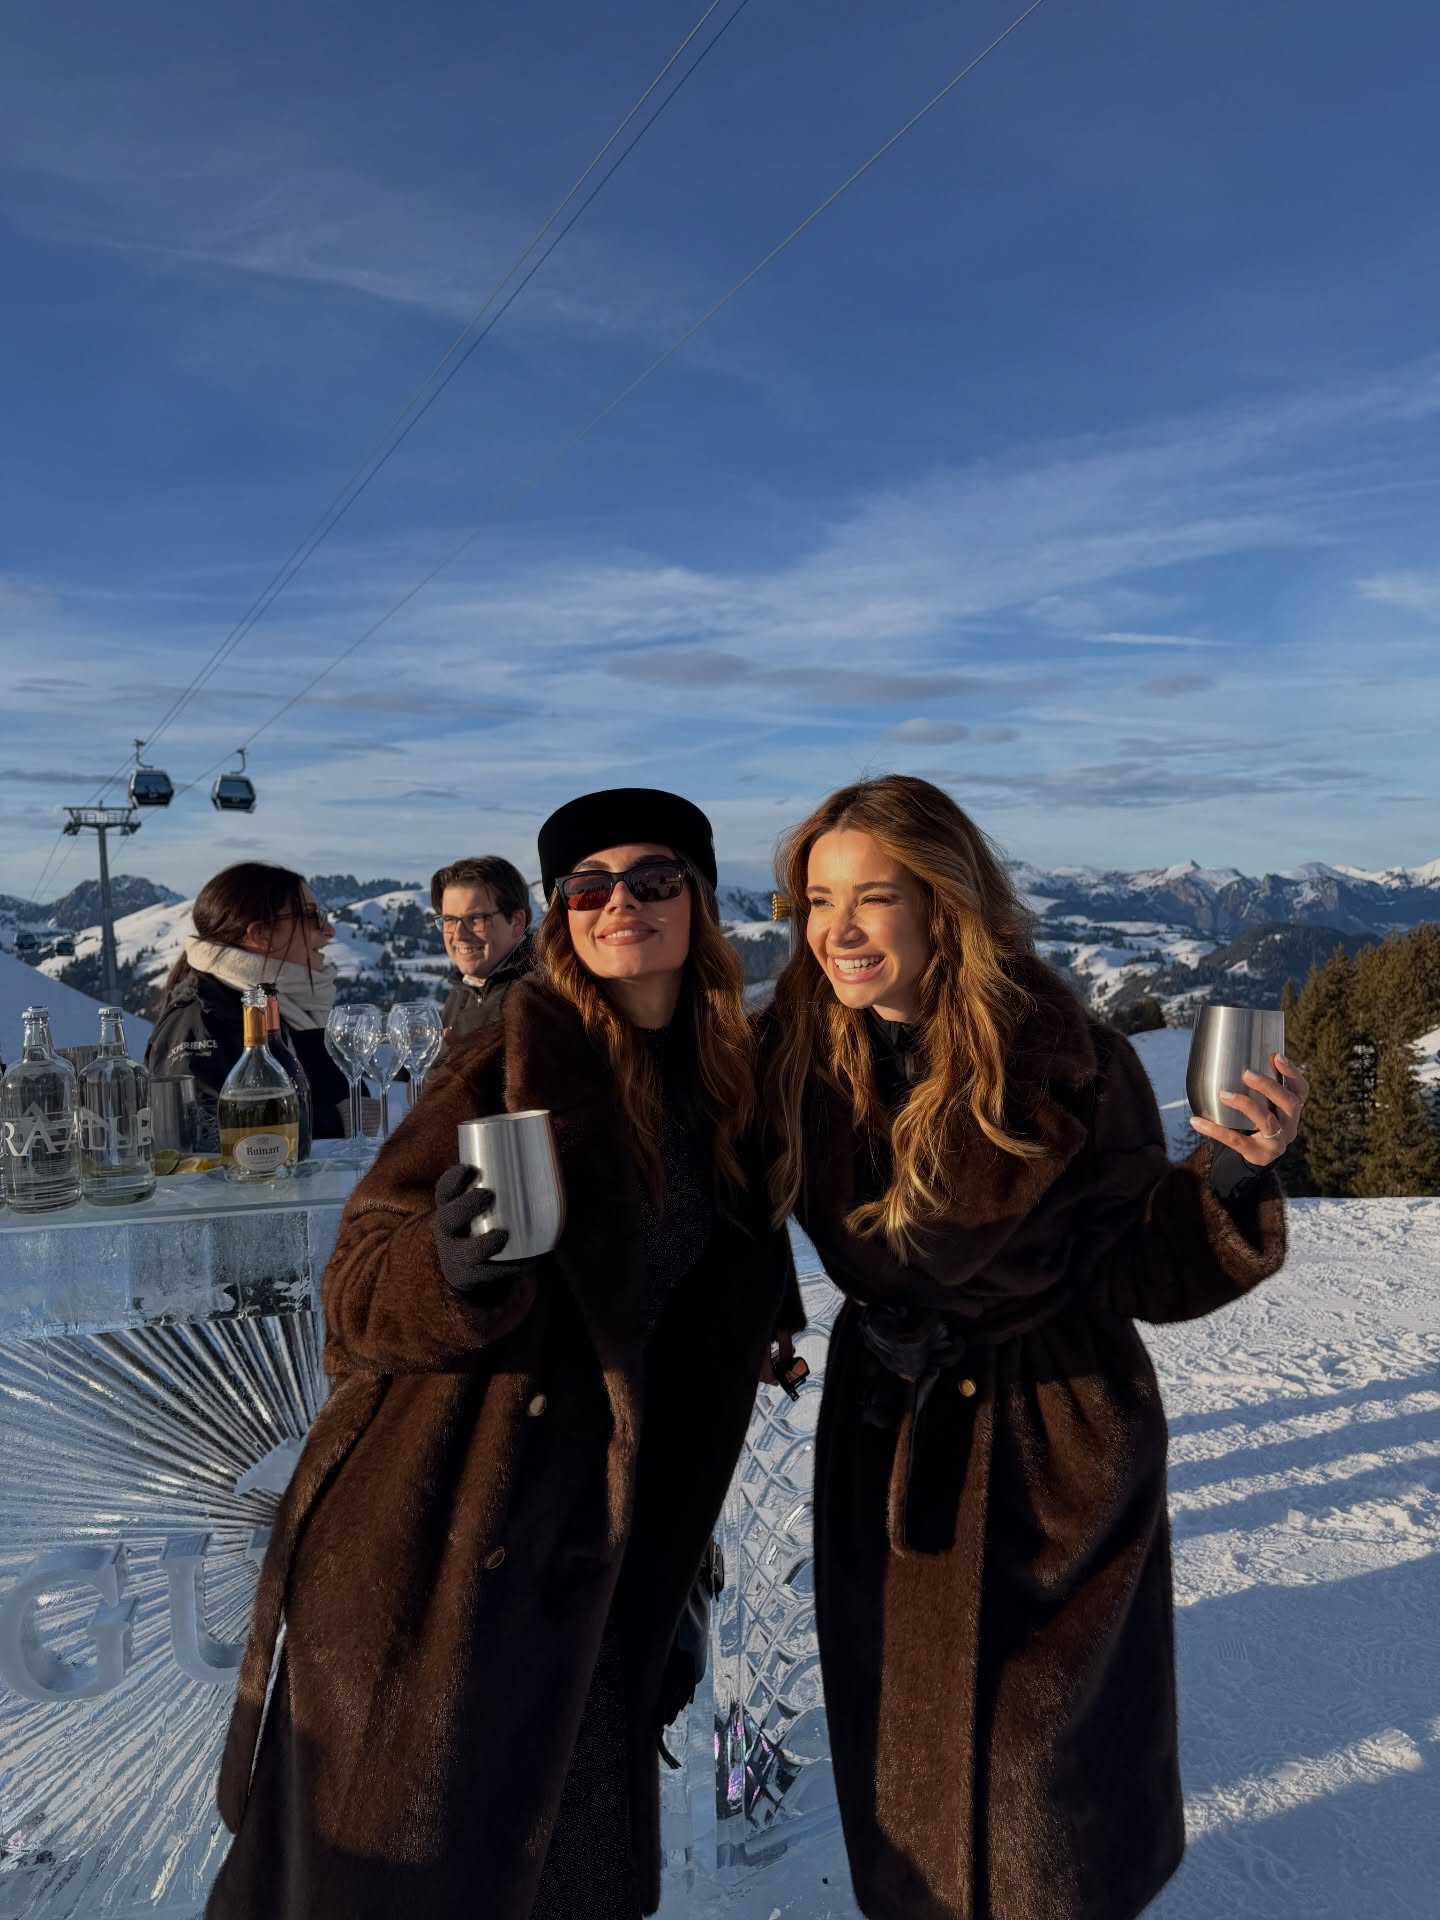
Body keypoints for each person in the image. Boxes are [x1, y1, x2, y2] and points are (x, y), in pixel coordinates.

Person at [207, 787, 802, 1920]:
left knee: (571, 1873)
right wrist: (450, 1269)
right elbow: (355, 1297)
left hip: (607, 1553)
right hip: (448, 1540)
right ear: (562, 917)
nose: (620, 902)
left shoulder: (732, 1079)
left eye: (655, 879)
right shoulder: (507, 1060)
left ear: (703, 901)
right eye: (588, 887)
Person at [761, 775, 1308, 1920]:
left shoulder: (1063, 1057)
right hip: (888, 1441)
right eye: (819, 900)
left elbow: (1138, 1264)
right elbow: (726, 1194)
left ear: (944, 902)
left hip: (1047, 1443)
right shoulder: (799, 1053)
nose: (839, 931)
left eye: (875, 897)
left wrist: (1234, 1173)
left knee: (1040, 1813)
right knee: (905, 1779)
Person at [146, 862, 348, 1141]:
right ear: (261, 934)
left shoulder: (292, 1005)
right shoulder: (200, 1018)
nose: (328, 930)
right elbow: (199, 1136)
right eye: (312, 916)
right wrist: (337, 1120)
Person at [431, 853, 536, 1043]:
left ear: (517, 923)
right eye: (449, 920)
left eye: (476, 919)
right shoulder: (464, 989)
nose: (459, 935)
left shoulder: (538, 1000)